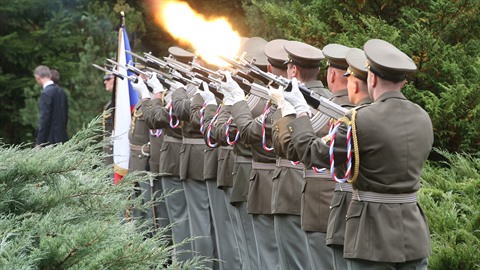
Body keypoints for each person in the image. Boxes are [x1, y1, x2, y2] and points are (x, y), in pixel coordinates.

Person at [278, 38, 432, 270]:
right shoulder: (422, 117)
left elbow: (315, 154)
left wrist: (300, 112)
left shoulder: (359, 120)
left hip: (371, 235)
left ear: (372, 78)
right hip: (414, 235)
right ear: (402, 82)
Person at [326, 48, 373, 270]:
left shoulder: (354, 120)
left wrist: (295, 114)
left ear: (353, 84)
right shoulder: (416, 118)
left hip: (358, 213)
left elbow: (316, 153)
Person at [34, 65, 68, 147]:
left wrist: (40, 142)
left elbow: (45, 118)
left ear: (38, 78)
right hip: (62, 137)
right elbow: (65, 115)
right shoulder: (62, 92)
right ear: (49, 75)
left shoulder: (46, 93)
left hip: (50, 140)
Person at [102, 73, 115, 167]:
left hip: (115, 150)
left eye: (108, 78)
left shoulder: (120, 101)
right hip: (109, 148)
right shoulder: (111, 102)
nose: (105, 81)